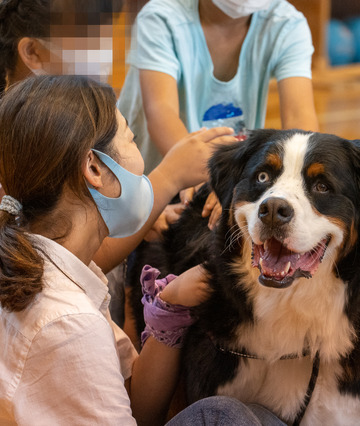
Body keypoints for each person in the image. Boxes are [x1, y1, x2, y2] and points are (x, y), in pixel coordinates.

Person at [0, 75, 285, 426]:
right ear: (94, 168)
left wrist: (172, 307)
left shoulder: (57, 267)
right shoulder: (69, 321)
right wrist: (169, 177)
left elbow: (135, 403)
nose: (140, 160)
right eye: (131, 138)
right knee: (225, 416)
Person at [0, 0, 239, 328]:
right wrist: (168, 177)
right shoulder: (24, 136)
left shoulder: (61, 120)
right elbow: (75, 255)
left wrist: (139, 218)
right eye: (85, 40)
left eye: (105, 37)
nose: (103, 54)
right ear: (33, 52)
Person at [117, 0, 319, 177]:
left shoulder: (287, 24)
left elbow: (299, 117)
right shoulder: (161, 18)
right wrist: (215, 180)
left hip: (224, 177)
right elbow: (161, 112)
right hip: (148, 177)